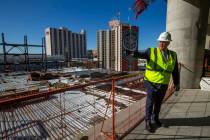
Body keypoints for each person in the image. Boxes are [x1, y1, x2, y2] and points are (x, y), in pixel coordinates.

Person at [127, 32, 180, 132]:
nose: (161, 44)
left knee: (159, 102)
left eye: (164, 42)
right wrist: (132, 52)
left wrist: (177, 83)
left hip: (164, 83)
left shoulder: (173, 55)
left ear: (168, 43)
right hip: (151, 82)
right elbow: (140, 54)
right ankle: (147, 121)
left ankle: (155, 118)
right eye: (160, 41)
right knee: (150, 101)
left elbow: (175, 70)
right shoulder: (150, 51)